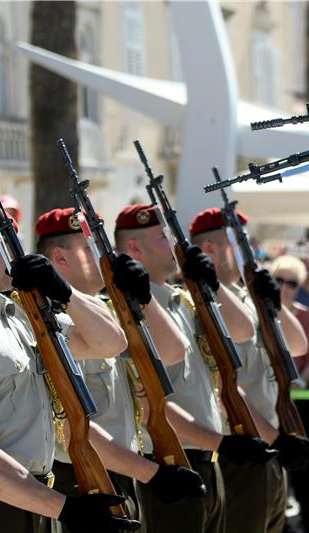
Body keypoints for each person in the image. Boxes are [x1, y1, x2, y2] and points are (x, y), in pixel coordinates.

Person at [35, 208, 207, 532]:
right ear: (59, 258)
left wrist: (143, 297)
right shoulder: (47, 319)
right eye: (89, 249)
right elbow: (70, 426)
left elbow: (174, 352)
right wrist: (151, 473)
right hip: (83, 482)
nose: (101, 257)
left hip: (126, 476)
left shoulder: (110, 309)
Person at [0, 204, 140, 533]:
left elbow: (111, 343)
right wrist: (66, 509)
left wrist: (65, 291)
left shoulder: (19, 315)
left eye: (11, 244)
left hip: (34, 496)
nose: (11, 257)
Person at [114, 204, 277, 533]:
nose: (175, 245)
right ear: (134, 248)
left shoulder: (182, 300)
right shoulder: (123, 310)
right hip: (170, 461)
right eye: (163, 238)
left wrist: (211, 284)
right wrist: (221, 442)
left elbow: (244, 330)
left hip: (207, 460)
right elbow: (149, 403)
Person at [189, 208, 309, 533]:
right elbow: (223, 385)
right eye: (239, 241)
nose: (251, 248)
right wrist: (276, 439)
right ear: (210, 250)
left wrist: (273, 303)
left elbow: (298, 344)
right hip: (243, 449)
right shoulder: (205, 301)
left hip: (271, 446)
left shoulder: (246, 296)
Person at [270, 254, 309, 533]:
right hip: (271, 401)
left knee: (307, 463)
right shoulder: (261, 313)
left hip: (304, 401)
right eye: (278, 281)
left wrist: (298, 382)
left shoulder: (305, 316)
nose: (284, 288)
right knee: (275, 460)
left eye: (291, 283)